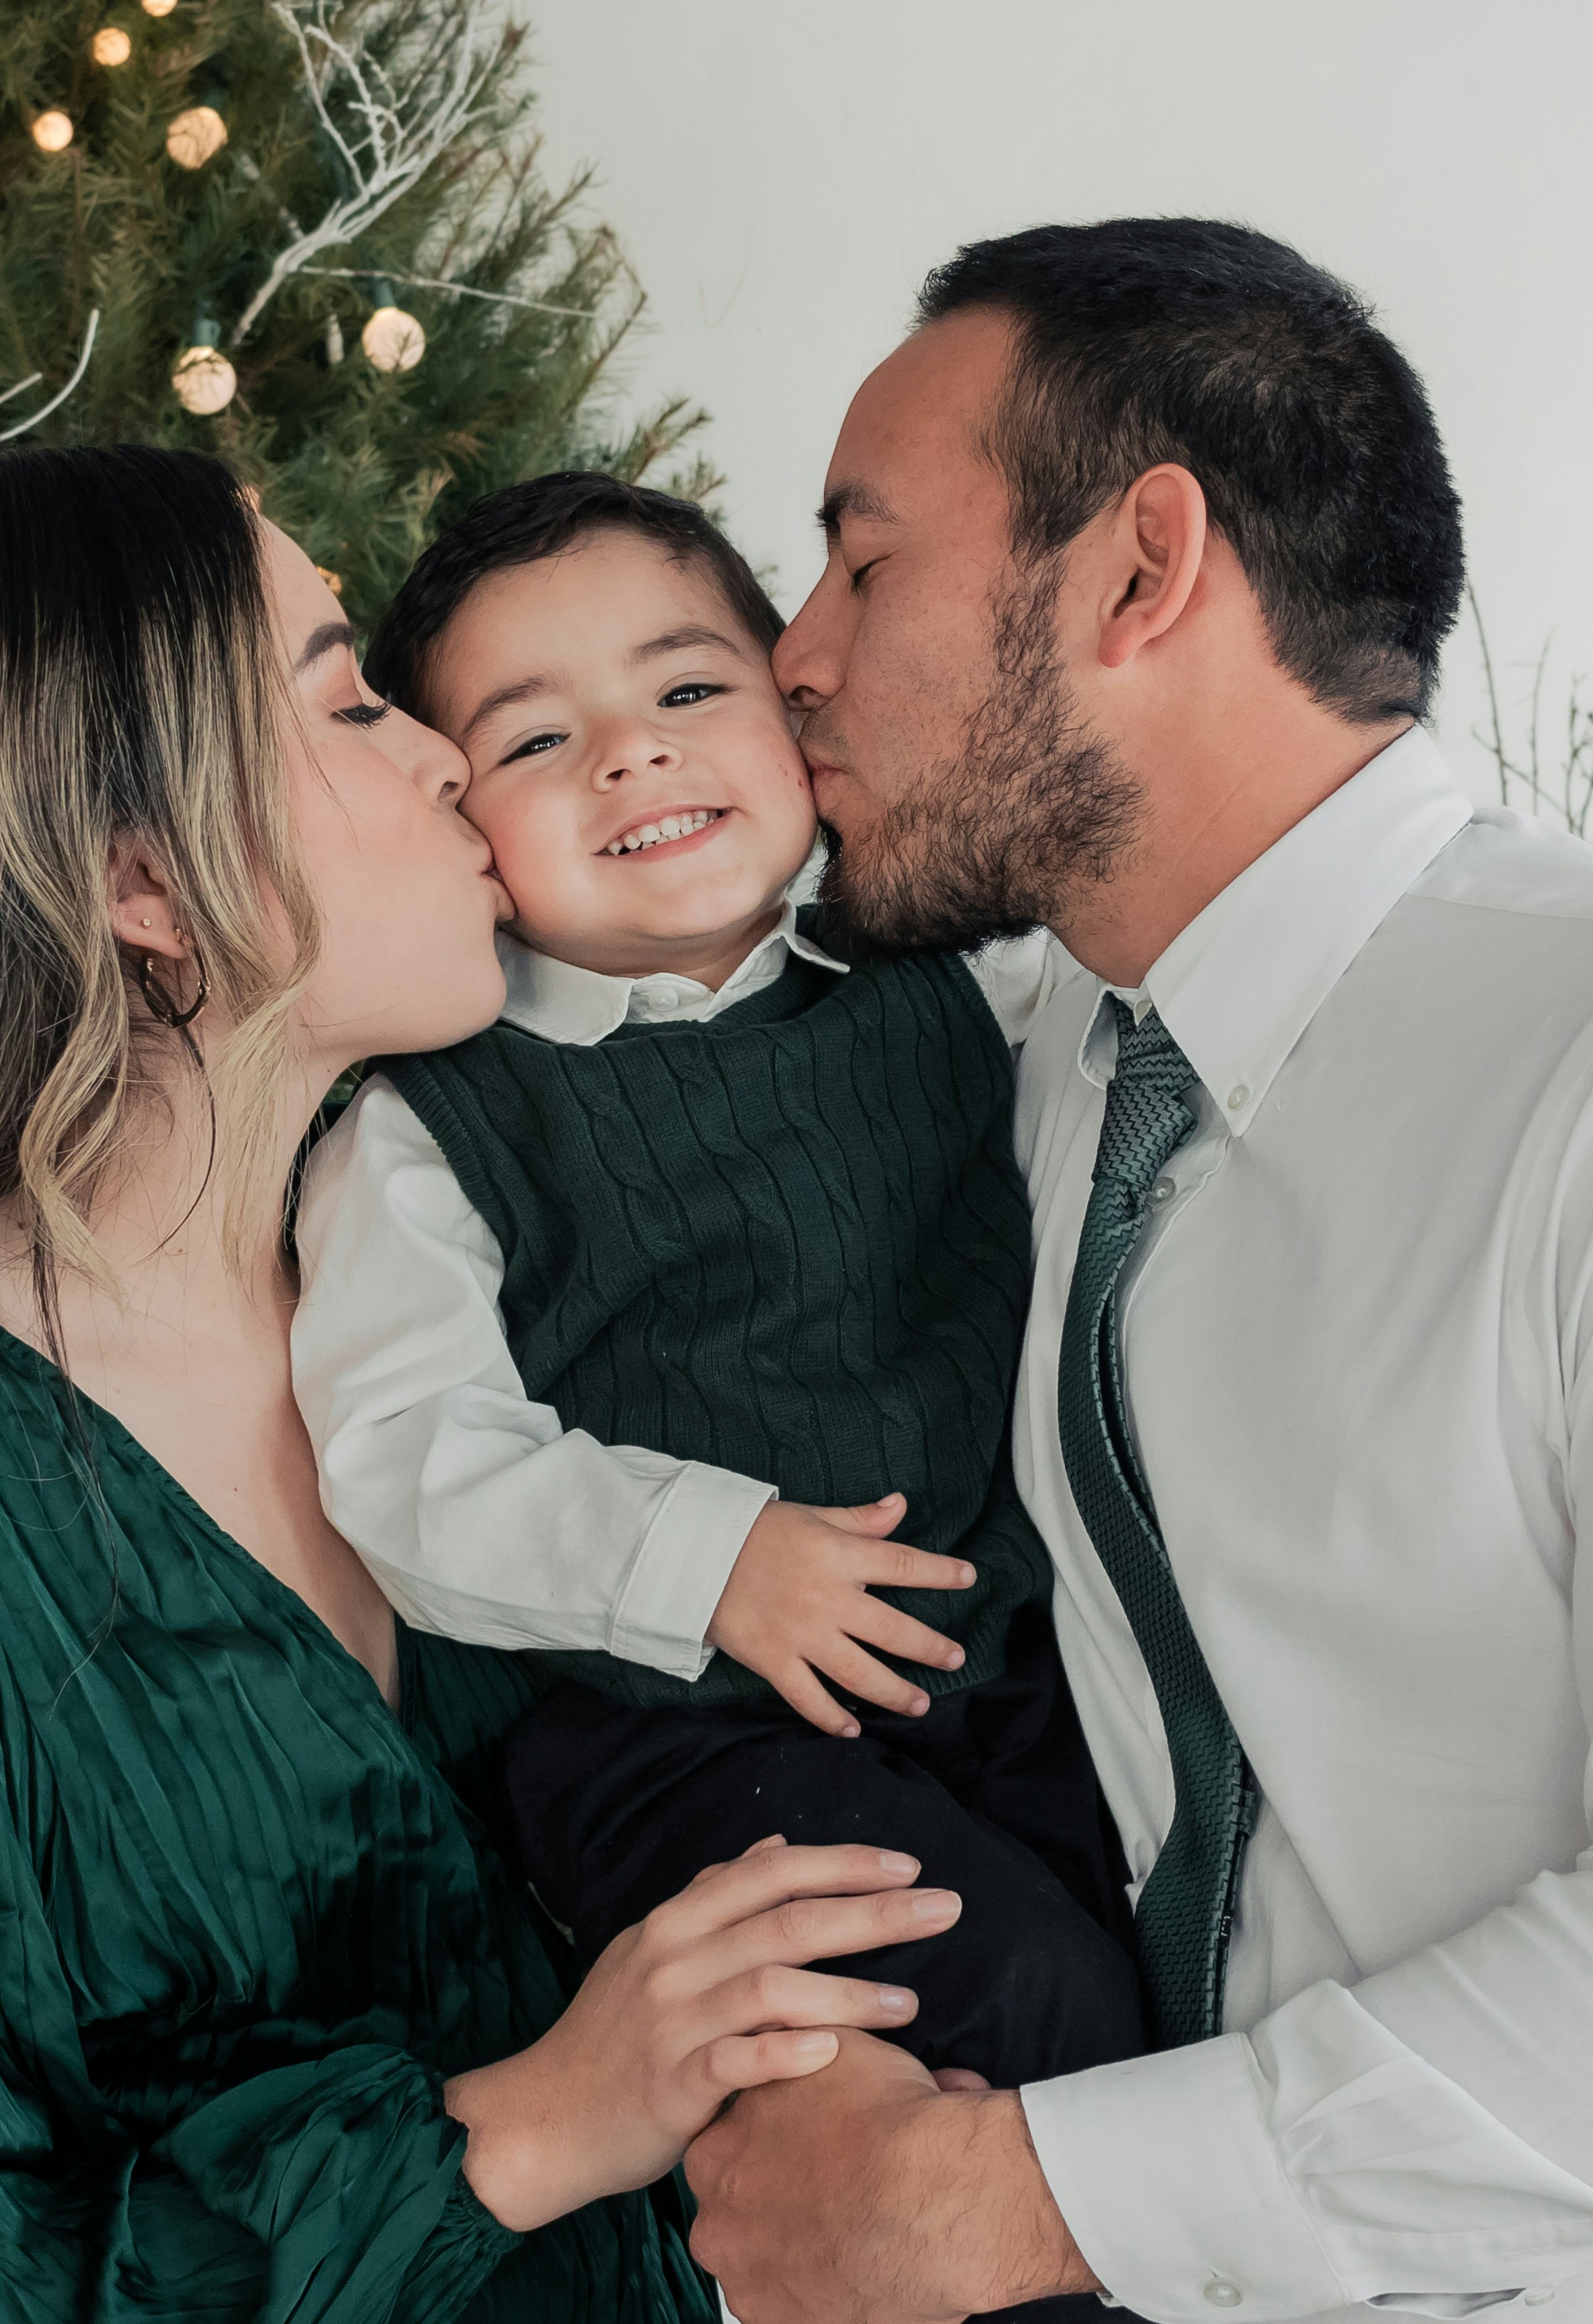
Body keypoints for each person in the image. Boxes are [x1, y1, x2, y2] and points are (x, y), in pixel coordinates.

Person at [679, 222, 1593, 2324]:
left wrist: (1004, 2204)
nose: (791, 652)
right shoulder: (1058, 1062)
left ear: (1141, 569)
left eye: (862, 565)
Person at [0, 446, 970, 2324]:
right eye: (344, 702)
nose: (441, 758)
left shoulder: (475, 1299)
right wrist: (516, 2128)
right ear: (143, 879)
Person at [289, 472, 1142, 2102]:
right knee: (1026, 2003)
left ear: (793, 709)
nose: (630, 752)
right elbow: (406, 1459)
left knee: (1168, 1967)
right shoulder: (434, 1120)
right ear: (460, 820)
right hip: (665, 1730)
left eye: (688, 690)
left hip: (997, 1660)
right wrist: (709, 1557)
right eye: (534, 740)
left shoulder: (967, 975)